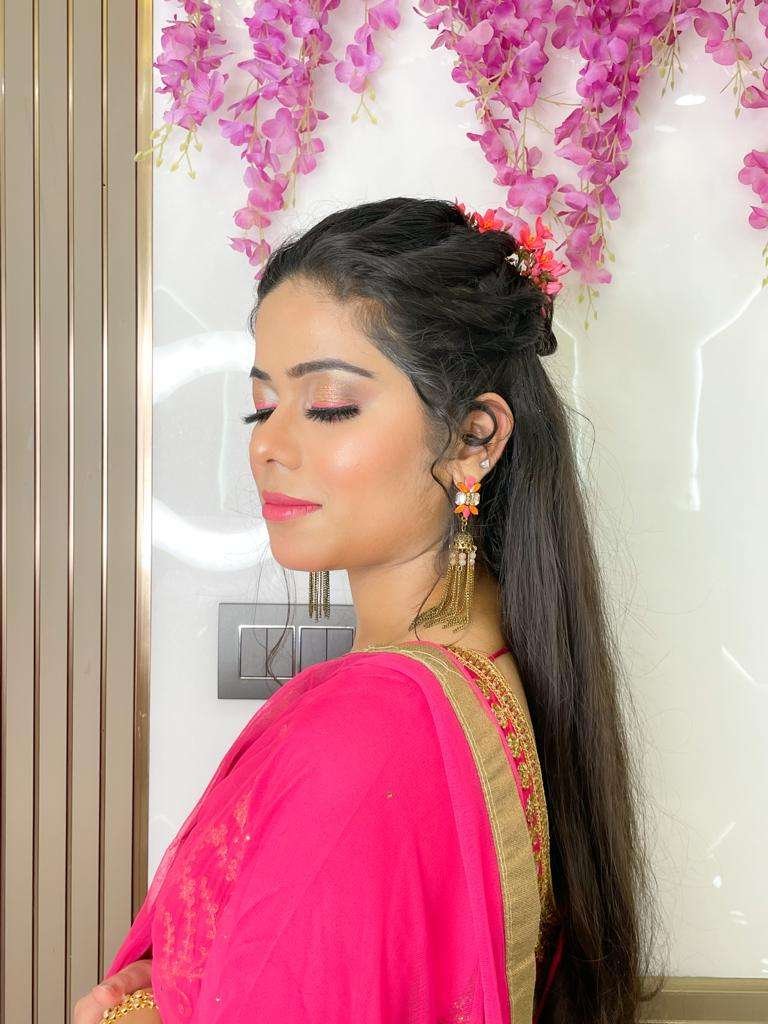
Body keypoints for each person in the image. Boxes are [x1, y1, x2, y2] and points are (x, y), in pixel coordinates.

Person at [74, 197, 663, 1024]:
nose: (267, 445)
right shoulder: (492, 667)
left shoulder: (372, 726)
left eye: (329, 406)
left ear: (474, 438)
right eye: (261, 405)